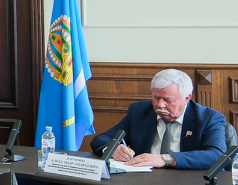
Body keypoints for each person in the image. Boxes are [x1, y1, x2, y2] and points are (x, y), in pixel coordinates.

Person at [90, 69, 226, 169]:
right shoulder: (139, 111)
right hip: (144, 181)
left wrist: (166, 159)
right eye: (156, 98)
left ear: (187, 98)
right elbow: (101, 139)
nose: (160, 105)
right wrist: (112, 149)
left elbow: (217, 155)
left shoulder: (209, 118)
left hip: (187, 183)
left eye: (168, 100)